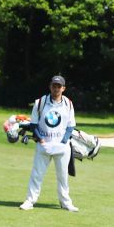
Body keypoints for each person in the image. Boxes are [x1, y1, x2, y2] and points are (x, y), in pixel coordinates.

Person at [18, 75, 78, 212]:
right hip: (44, 144)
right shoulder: (40, 102)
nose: (56, 88)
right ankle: (30, 201)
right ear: (50, 86)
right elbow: (33, 124)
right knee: (37, 174)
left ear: (63, 88)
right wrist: (41, 140)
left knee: (62, 176)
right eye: (54, 85)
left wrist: (63, 142)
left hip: (62, 147)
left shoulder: (68, 103)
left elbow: (70, 126)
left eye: (59, 86)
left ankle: (66, 202)